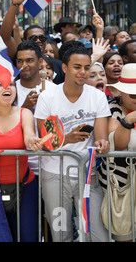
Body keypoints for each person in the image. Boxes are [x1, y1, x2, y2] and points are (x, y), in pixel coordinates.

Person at [34, 44, 110, 242]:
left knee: (98, 236)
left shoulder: (98, 96)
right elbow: (43, 142)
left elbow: (101, 137)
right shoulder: (47, 96)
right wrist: (67, 138)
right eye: (77, 67)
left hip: (88, 175)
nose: (83, 72)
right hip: (54, 177)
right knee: (61, 235)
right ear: (65, 68)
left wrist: (103, 143)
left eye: (86, 67)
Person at [0, 75, 42, 242]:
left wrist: (32, 141)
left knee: (27, 237)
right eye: (0, 84)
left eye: (11, 84)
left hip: (24, 186)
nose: (7, 87)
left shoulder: (24, 113)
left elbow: (29, 135)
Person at [98, 63, 136, 241]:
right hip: (122, 184)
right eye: (133, 94)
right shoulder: (112, 109)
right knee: (125, 235)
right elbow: (118, 145)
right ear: (121, 92)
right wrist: (128, 120)